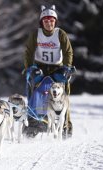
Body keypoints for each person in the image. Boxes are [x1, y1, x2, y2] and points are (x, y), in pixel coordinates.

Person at [23, 5, 74, 137]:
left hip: (57, 67)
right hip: (40, 66)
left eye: (51, 20)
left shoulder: (60, 34)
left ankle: (65, 125)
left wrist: (67, 67)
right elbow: (28, 52)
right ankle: (33, 123)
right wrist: (29, 67)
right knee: (34, 90)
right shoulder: (36, 34)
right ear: (42, 23)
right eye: (45, 21)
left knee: (63, 93)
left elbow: (68, 52)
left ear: (55, 22)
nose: (49, 23)